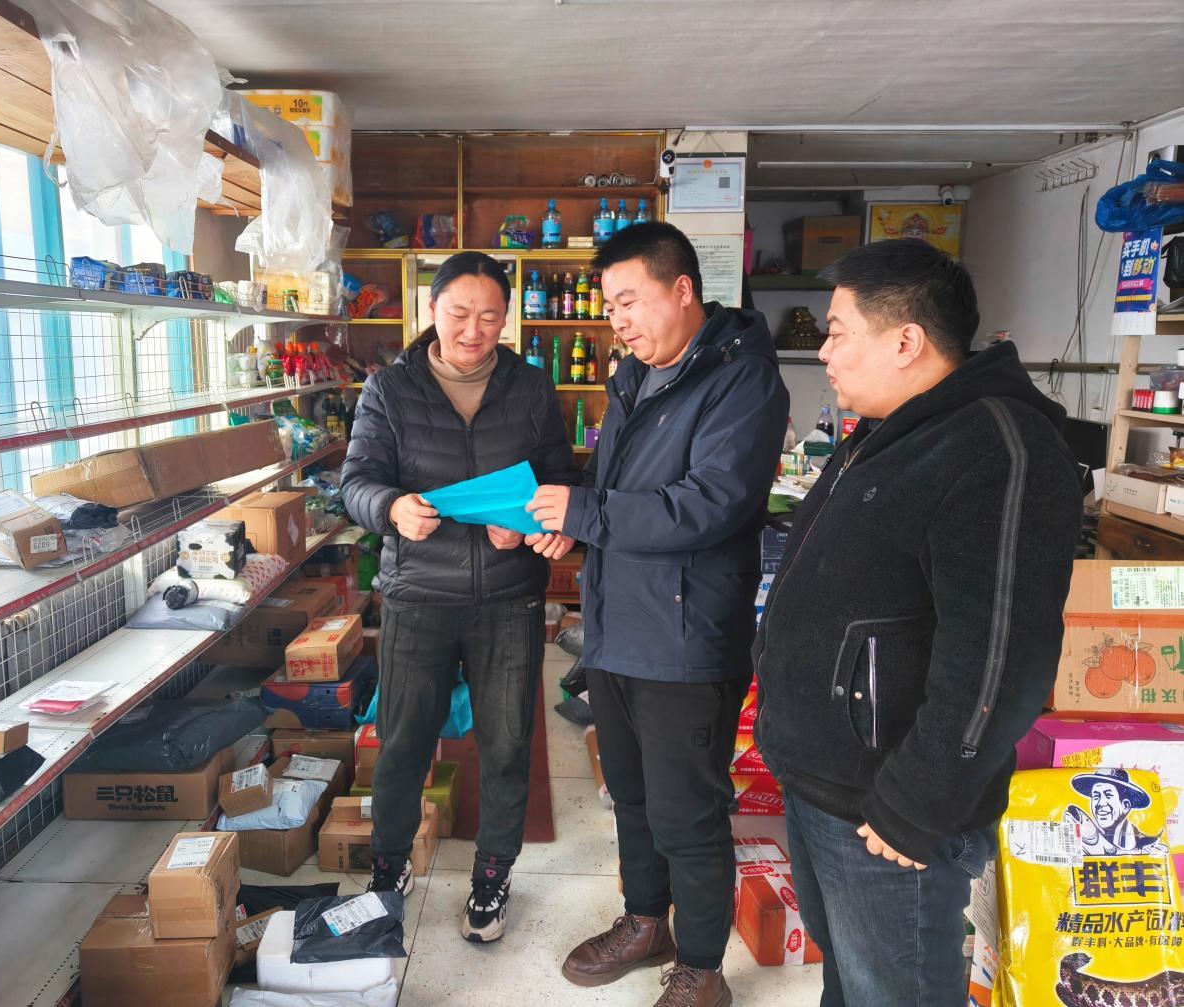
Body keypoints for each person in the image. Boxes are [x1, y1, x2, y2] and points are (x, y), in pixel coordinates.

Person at [753, 238, 1084, 1007]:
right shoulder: (890, 429)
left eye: (837, 331)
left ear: (905, 341)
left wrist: (916, 803)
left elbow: (1002, 654)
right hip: (825, 782)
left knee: (893, 990)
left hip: (889, 807)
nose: (823, 351)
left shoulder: (995, 446)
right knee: (850, 980)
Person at [527, 221, 789, 1007]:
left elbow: (706, 505)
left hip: (685, 638)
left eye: (630, 300)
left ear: (682, 290)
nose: (619, 320)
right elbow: (616, 489)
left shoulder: (742, 382)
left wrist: (586, 512)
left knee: (688, 812)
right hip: (617, 629)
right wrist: (569, 521)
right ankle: (646, 922)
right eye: (610, 305)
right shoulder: (635, 376)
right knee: (632, 799)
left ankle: (703, 969)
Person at [341, 251, 578, 943]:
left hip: (509, 596)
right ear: (431, 310)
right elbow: (356, 481)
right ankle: (389, 868)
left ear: (507, 319)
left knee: (506, 743)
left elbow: (560, 479)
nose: (473, 330)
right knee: (403, 742)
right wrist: (391, 507)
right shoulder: (390, 389)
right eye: (458, 313)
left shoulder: (531, 387)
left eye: (490, 316)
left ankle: (493, 876)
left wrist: (533, 524)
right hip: (418, 593)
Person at [1066, 769, 1166, 855]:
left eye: (1108, 795)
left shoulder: (1147, 845)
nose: (1100, 803)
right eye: (1096, 796)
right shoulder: (1090, 834)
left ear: (1125, 806)